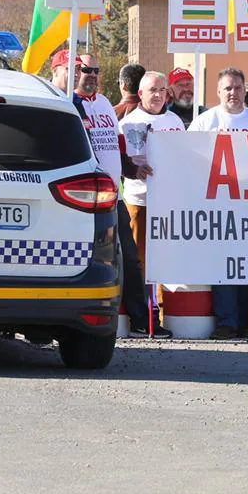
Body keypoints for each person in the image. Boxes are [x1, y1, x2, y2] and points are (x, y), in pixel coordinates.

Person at [51, 50, 152, 337]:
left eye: (96, 71)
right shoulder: (68, 103)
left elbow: (115, 145)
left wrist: (132, 169)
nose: (92, 75)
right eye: (85, 70)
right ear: (71, 71)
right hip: (84, 196)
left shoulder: (106, 103)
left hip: (112, 194)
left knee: (130, 257)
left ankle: (139, 320)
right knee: (93, 258)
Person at [190, 68, 248, 339]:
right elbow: (183, 156)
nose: (233, 93)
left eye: (238, 88)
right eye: (227, 88)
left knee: (246, 264)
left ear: (244, 91)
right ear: (218, 92)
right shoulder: (205, 122)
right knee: (223, 264)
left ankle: (242, 320)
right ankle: (227, 321)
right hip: (217, 206)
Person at [117, 71, 182, 339]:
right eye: (152, 90)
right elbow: (120, 162)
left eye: (162, 90)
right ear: (140, 94)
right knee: (140, 262)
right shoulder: (128, 122)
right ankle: (143, 317)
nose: (157, 95)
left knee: (166, 261)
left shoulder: (175, 121)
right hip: (140, 201)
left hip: (171, 202)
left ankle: (163, 314)